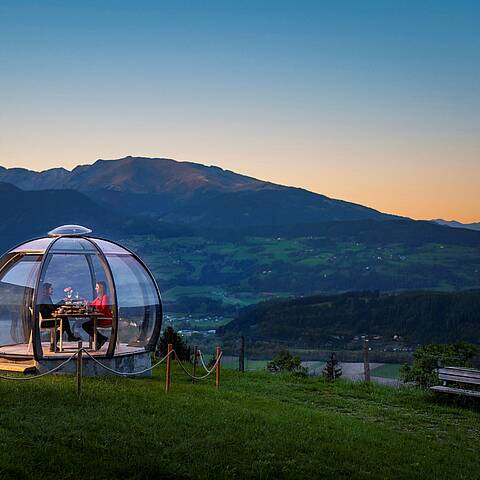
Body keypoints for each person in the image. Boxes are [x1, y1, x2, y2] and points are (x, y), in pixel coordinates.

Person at [82, 281, 112, 350]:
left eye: (97, 287)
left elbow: (104, 309)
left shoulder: (105, 297)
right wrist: (86, 303)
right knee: (86, 325)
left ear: (102, 288)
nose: (96, 288)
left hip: (105, 319)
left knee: (86, 325)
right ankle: (100, 339)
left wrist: (94, 309)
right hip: (99, 319)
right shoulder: (98, 298)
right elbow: (92, 304)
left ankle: (101, 339)